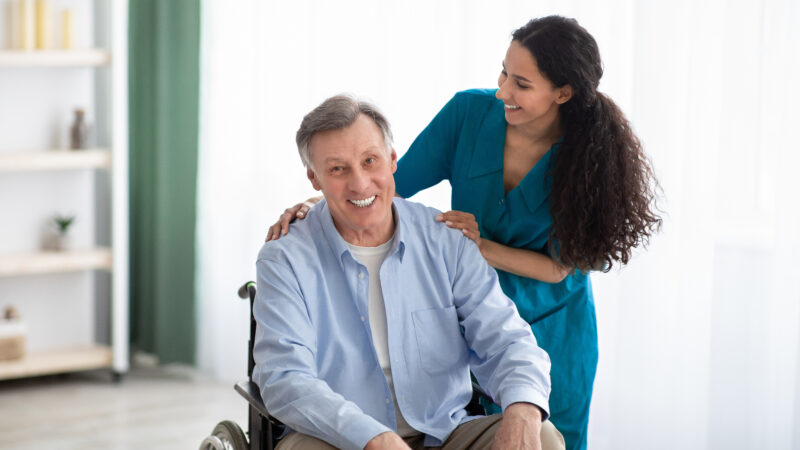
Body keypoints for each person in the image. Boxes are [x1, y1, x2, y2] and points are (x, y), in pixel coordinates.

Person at [266, 16, 662, 450]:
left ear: (562, 93)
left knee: (544, 430)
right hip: (456, 311)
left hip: (550, 318)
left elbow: (558, 270)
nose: (503, 91)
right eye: (504, 73)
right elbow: (385, 181)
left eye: (522, 84)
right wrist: (319, 203)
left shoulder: (588, 158)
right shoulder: (469, 116)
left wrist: (477, 248)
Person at [254, 94, 566, 450]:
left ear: (392, 160)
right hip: (339, 439)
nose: (360, 184)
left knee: (542, 436)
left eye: (369, 161)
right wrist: (372, 437)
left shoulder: (446, 241)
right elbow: (286, 378)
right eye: (338, 169)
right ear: (314, 178)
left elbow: (507, 340)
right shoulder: (285, 259)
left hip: (445, 434)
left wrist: (524, 410)